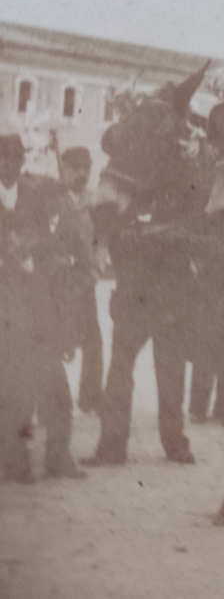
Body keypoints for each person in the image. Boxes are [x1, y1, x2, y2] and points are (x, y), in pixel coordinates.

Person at [0, 133, 85, 480]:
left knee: (56, 389)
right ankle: (15, 460)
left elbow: (52, 247)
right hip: (5, 310)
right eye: (4, 159)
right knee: (14, 390)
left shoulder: (34, 193)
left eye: (15, 158)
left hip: (38, 308)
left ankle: (58, 457)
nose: (10, 165)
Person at [57, 147, 104, 414]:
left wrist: (96, 269)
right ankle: (47, 401)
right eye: (75, 168)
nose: (82, 173)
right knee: (54, 339)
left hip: (85, 281)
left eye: (86, 168)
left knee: (93, 340)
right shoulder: (54, 201)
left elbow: (101, 240)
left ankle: (91, 396)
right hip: (58, 281)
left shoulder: (94, 201)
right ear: (64, 170)